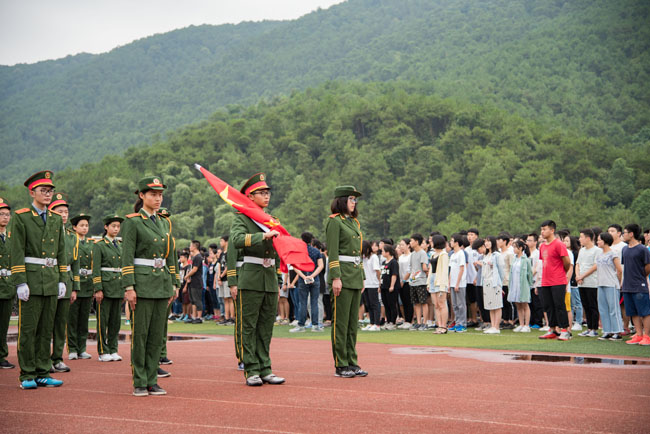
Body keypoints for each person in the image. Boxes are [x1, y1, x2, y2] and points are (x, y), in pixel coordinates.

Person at [121, 176, 177, 396]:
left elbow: (170, 255)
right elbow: (127, 256)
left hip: (161, 283)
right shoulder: (133, 221)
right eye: (153, 194)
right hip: (142, 284)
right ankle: (140, 380)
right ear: (142, 195)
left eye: (160, 194)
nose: (157, 198)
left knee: (156, 336)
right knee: (141, 335)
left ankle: (152, 379)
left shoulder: (164, 222)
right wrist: (129, 287)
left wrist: (174, 282)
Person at [11, 170, 67, 389]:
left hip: (51, 279)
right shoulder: (22, 217)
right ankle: (27, 374)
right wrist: (20, 281)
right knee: (28, 329)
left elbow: (61, 250)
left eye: (50, 191)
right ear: (32, 192)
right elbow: (16, 250)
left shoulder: (54, 218)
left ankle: (43, 371)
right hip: (32, 279)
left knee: (46, 329)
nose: (48, 194)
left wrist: (62, 278)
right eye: (43, 191)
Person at [230, 172, 285, 386]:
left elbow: (278, 251)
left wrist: (278, 279)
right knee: (249, 326)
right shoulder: (241, 217)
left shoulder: (271, 220)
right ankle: (251, 369)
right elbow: (236, 240)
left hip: (269, 278)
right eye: (261, 193)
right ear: (250, 197)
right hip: (251, 278)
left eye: (267, 192)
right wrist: (262, 235)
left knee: (266, 326)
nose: (266, 196)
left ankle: (265, 368)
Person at [326, 185, 367, 379]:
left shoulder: (354, 223)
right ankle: (341, 364)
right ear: (342, 200)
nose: (354, 202)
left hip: (354, 276)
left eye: (355, 199)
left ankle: (352, 361)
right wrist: (335, 277)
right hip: (341, 276)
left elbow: (357, 254)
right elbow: (332, 251)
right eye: (351, 199)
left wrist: (362, 277)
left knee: (352, 324)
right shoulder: (335, 222)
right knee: (340, 324)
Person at [47, 193, 79, 373]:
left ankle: (57, 358)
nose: (64, 215)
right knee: (46, 323)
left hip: (66, 281)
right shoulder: (48, 231)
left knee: (60, 324)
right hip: (50, 279)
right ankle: (43, 359)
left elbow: (75, 264)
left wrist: (74, 288)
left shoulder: (71, 236)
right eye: (60, 211)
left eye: (66, 211)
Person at [92, 214, 125, 362]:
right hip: (105, 286)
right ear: (106, 227)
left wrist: (125, 287)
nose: (116, 229)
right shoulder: (99, 245)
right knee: (103, 321)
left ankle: (113, 348)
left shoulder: (121, 245)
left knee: (115, 321)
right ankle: (102, 350)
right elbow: (96, 268)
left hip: (118, 286)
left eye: (118, 226)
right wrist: (98, 289)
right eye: (113, 226)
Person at [538, 220, 572, 341]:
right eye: (541, 229)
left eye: (545, 229)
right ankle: (552, 329)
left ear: (552, 230)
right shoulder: (542, 246)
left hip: (558, 280)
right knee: (548, 306)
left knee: (560, 305)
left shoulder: (558, 244)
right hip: (546, 280)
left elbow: (567, 262)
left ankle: (565, 330)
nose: (542, 231)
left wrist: (561, 273)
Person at [67, 213, 93, 360]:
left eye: (86, 225)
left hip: (88, 284)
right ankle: (72, 348)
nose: (84, 228)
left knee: (84, 319)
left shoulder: (91, 244)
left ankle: (82, 347)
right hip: (75, 282)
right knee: (72, 319)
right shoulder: (71, 241)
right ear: (75, 227)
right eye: (81, 225)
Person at [620, 224, 650, 345]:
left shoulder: (642, 249)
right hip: (627, 285)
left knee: (645, 312)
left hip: (639, 285)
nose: (623, 234)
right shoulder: (625, 249)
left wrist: (641, 276)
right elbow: (625, 267)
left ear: (631, 234)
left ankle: (647, 336)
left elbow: (648, 266)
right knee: (633, 312)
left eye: (625, 232)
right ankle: (638, 334)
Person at [291, 232, 325, 332]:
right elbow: (321, 266)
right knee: (314, 302)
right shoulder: (316, 251)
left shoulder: (298, 251)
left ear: (302, 239)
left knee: (303, 303)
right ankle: (315, 325)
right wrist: (312, 276)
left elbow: (295, 266)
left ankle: (301, 325)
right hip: (315, 279)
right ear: (311, 240)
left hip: (302, 280)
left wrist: (304, 276)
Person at [595, 232, 623, 341]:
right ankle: (607, 331)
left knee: (613, 309)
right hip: (600, 284)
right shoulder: (599, 255)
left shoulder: (613, 253)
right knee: (603, 309)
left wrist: (618, 283)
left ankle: (617, 332)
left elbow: (619, 270)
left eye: (599, 240)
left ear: (605, 241)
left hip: (611, 284)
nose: (597, 242)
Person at [576, 228, 601, 338]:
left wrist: (582, 275)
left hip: (592, 283)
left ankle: (594, 328)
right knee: (585, 305)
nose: (579, 239)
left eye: (581, 237)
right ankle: (589, 328)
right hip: (581, 282)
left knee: (593, 306)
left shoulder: (597, 250)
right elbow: (577, 264)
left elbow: (595, 266)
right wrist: (578, 276)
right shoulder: (582, 250)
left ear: (588, 238)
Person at [0, 197, 15, 369]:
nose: (5, 218)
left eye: (7, 215)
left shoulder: (11, 237)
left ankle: (1, 355)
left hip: (7, 286)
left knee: (4, 324)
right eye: (2, 214)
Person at [226, 236, 245, 370]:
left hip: (259, 277)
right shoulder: (238, 232)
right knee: (242, 320)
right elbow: (231, 258)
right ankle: (243, 357)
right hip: (241, 277)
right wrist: (232, 282)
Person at [405, 233, 429, 330]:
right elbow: (411, 268)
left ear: (417, 242)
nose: (410, 242)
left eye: (411, 241)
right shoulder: (412, 254)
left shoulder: (422, 253)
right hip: (413, 281)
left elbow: (424, 267)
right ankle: (418, 322)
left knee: (423, 302)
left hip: (421, 281)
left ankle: (425, 323)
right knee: (416, 303)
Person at [508, 240, 533, 332]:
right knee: (518, 305)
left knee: (525, 304)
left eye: (515, 247)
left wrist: (530, 285)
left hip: (523, 285)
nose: (514, 249)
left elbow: (529, 274)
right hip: (514, 284)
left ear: (521, 248)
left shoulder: (526, 260)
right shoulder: (514, 259)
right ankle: (521, 324)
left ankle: (527, 325)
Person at [481, 236, 504, 334]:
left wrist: (500, 283)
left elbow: (501, 270)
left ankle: (496, 327)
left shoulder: (497, 255)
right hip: (486, 281)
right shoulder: (486, 255)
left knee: (497, 305)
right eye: (485, 242)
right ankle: (492, 325)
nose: (486, 243)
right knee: (490, 304)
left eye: (488, 241)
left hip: (494, 282)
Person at [360, 240, 381, 332]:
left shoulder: (374, 257)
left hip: (373, 284)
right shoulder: (364, 258)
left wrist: (379, 282)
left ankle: (377, 324)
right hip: (366, 284)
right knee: (368, 304)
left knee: (374, 304)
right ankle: (371, 323)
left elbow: (377, 271)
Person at [448, 233, 467, 332]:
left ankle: (462, 324)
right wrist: (449, 282)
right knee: (454, 305)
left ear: (456, 242)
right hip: (452, 283)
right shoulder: (453, 255)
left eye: (451, 240)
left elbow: (462, 268)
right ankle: (457, 321)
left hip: (460, 283)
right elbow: (451, 270)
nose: (450, 242)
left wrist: (457, 283)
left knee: (461, 304)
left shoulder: (461, 253)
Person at [431, 235, 449, 334]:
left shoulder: (444, 255)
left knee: (442, 304)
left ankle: (443, 326)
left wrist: (443, 286)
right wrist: (429, 282)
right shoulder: (433, 254)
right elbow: (431, 270)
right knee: (436, 305)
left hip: (440, 281)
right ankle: (439, 325)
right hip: (433, 279)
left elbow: (444, 271)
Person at [379, 244, 399, 330]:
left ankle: (392, 322)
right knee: (386, 304)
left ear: (388, 252)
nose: (382, 252)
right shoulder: (384, 262)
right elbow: (382, 275)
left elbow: (394, 275)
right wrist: (380, 286)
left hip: (391, 287)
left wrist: (392, 285)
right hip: (384, 286)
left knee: (392, 304)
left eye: (383, 251)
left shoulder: (393, 262)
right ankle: (388, 321)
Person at [185, 240, 204, 324]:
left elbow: (195, 269)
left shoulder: (198, 257)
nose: (189, 247)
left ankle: (199, 317)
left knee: (197, 299)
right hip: (192, 281)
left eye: (190, 246)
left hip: (197, 281)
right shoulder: (194, 257)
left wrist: (187, 275)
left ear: (194, 247)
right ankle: (194, 316)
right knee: (192, 300)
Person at [396, 239, 413, 329]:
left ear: (408, 245)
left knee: (408, 301)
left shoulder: (411, 256)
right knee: (403, 301)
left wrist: (403, 280)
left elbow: (409, 270)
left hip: (407, 282)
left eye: (402, 245)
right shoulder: (401, 257)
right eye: (400, 245)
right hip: (400, 281)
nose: (401, 246)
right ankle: (406, 320)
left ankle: (409, 321)